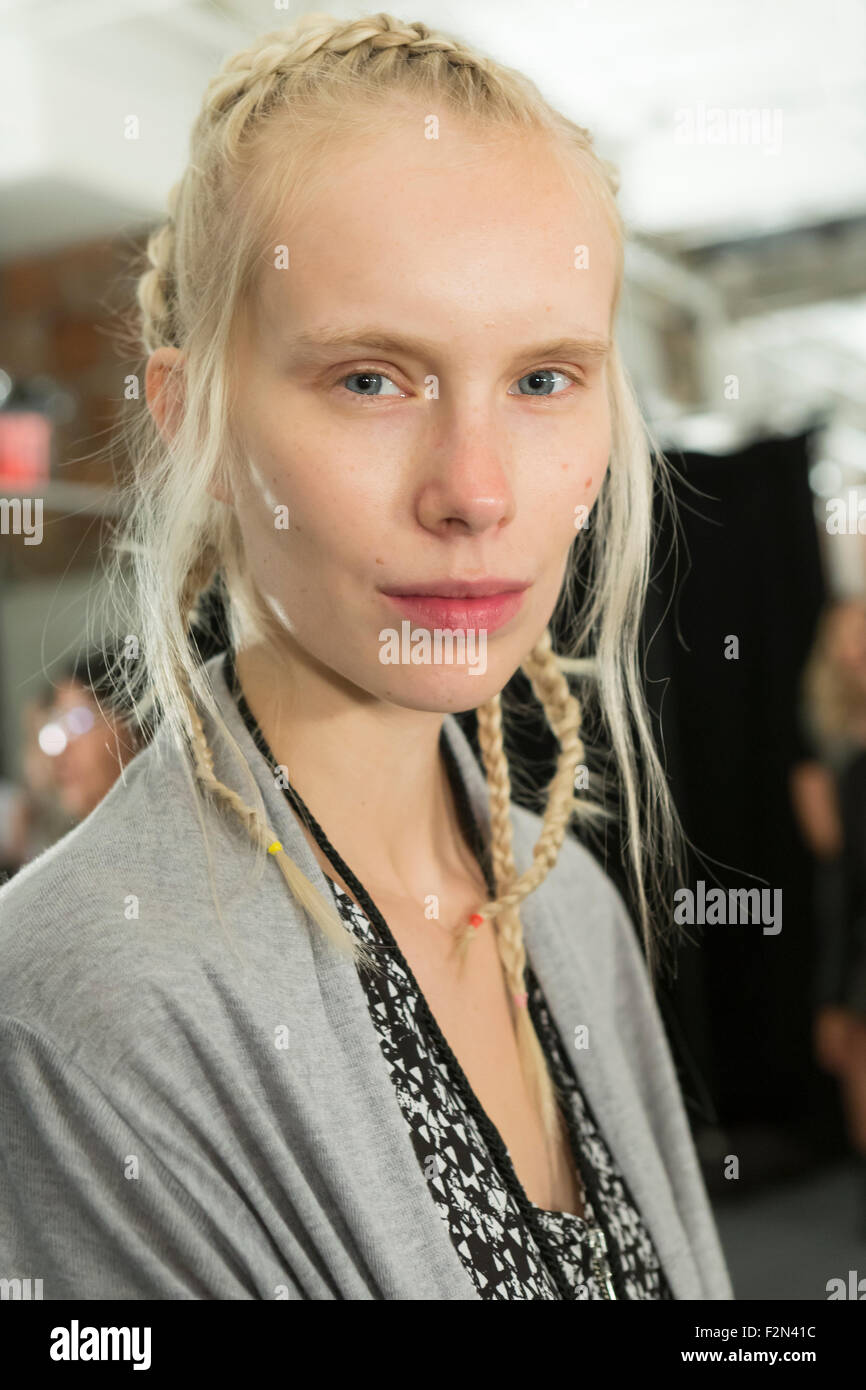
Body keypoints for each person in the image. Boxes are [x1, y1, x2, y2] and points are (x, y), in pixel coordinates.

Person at [0, 12, 732, 1300]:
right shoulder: (82, 1005)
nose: (474, 490)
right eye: (372, 380)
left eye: (545, 380)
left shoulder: (564, 909)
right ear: (198, 426)